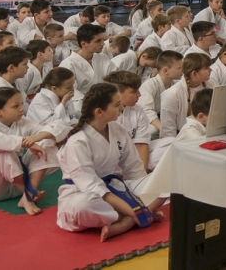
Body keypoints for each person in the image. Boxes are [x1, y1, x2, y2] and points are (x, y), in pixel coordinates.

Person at [56, 83, 158, 239]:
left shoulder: (118, 129)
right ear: (99, 112)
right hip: (84, 193)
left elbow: (134, 168)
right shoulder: (77, 142)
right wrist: (133, 210)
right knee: (83, 206)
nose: (122, 108)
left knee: (162, 182)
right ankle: (136, 215)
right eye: (117, 105)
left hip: (117, 187)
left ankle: (127, 222)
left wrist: (144, 187)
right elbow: (91, 186)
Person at [0, 87, 65, 214]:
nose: (22, 109)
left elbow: (59, 128)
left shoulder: (23, 122)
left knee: (48, 140)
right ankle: (28, 193)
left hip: (16, 186)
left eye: (21, 104)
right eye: (16, 106)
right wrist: (23, 143)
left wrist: (35, 139)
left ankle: (28, 194)